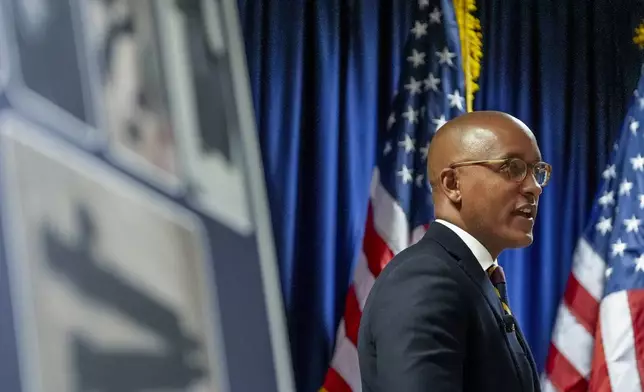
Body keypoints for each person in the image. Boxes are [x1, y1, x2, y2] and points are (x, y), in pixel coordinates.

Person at [357, 111, 550, 392]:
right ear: (452, 184)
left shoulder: (471, 278)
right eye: (513, 168)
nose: (534, 187)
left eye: (537, 171)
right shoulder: (425, 280)